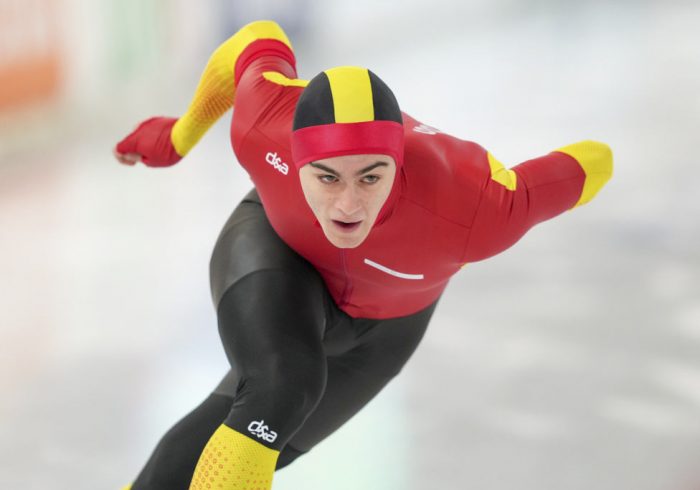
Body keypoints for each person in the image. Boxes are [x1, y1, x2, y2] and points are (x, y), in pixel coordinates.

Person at [114, 19, 613, 490]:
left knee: (263, 433)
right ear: (293, 157)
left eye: (371, 177)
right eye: (327, 177)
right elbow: (256, 38)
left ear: (399, 162)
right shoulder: (264, 123)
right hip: (280, 253)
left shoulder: (475, 205)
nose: (348, 205)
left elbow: (590, 163)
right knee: (281, 388)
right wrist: (181, 135)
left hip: (385, 330)